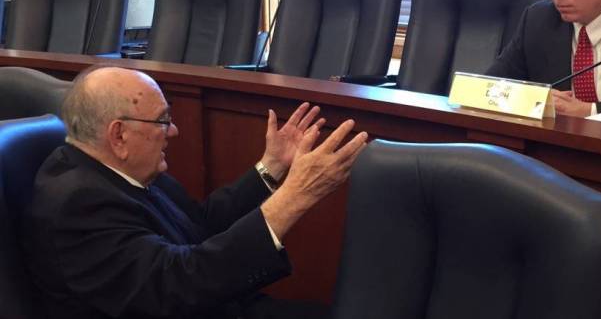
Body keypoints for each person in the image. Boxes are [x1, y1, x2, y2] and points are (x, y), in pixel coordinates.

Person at [22, 66, 368, 318]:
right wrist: (296, 196)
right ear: (119, 135)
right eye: (162, 120)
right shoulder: (77, 206)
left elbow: (198, 225)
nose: (173, 131)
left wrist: (272, 168)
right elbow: (179, 284)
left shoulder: (113, 166)